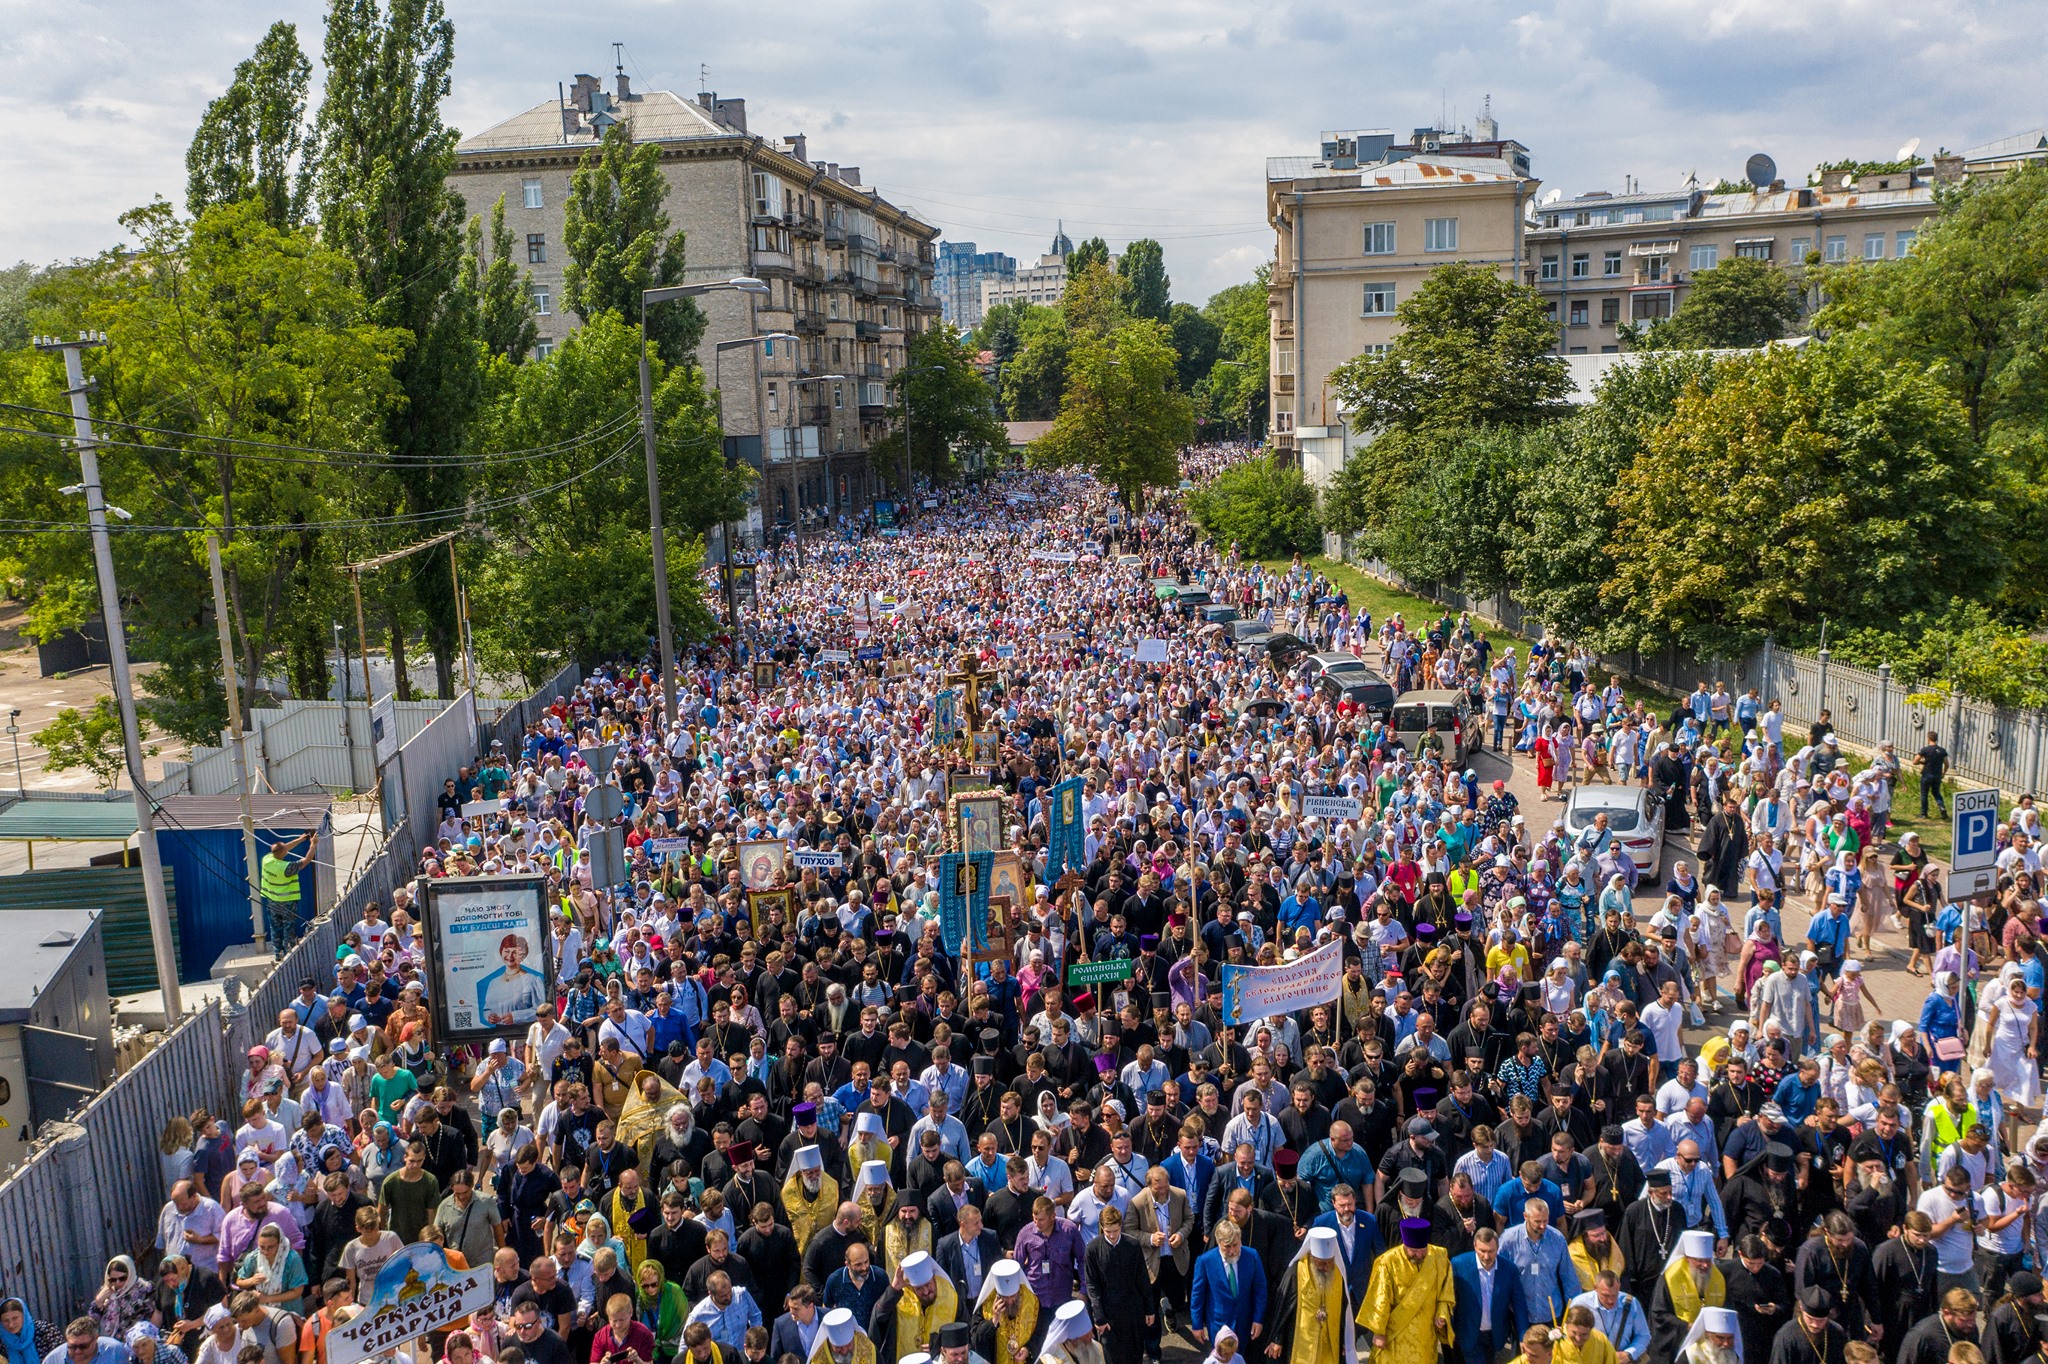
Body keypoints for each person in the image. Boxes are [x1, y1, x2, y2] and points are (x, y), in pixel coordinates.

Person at [1357, 1219, 1452, 1364]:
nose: (1419, 1255)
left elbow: (1446, 1289)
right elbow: (1379, 1298)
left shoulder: (1439, 1256)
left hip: (1426, 1332)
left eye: (1423, 1251)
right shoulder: (1388, 1261)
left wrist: (1442, 1312)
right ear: (1405, 1245)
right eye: (1414, 1251)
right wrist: (1379, 1332)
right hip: (1397, 1331)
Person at [1079, 1209, 1147, 1364]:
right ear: (1102, 1227)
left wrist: (1149, 1309)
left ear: (1121, 1226)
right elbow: (1092, 1286)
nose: (1112, 1235)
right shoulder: (1093, 1249)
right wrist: (1100, 1317)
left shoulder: (1133, 1245)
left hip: (1132, 1312)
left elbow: (1142, 1278)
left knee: (1134, 1355)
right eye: (1108, 1231)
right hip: (1108, 1314)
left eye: (1115, 1230)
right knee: (1111, 1357)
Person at [1188, 1221, 1264, 1350]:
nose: (1232, 1251)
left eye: (1235, 1245)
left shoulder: (1252, 1256)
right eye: (1227, 1247)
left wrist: (1258, 1319)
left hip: (1245, 1323)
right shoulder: (1205, 1261)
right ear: (1219, 1243)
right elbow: (1197, 1295)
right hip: (1219, 1325)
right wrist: (1197, 1325)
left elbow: (1260, 1290)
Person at [1451, 1228, 1521, 1364]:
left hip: (1494, 1335)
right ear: (1475, 1246)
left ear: (1498, 1248)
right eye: (1482, 1251)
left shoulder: (1509, 1269)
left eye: (1491, 1251)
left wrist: (1523, 1334)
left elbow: (1519, 1303)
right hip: (1469, 1334)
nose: (1486, 1257)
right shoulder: (1458, 1264)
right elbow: (1450, 1298)